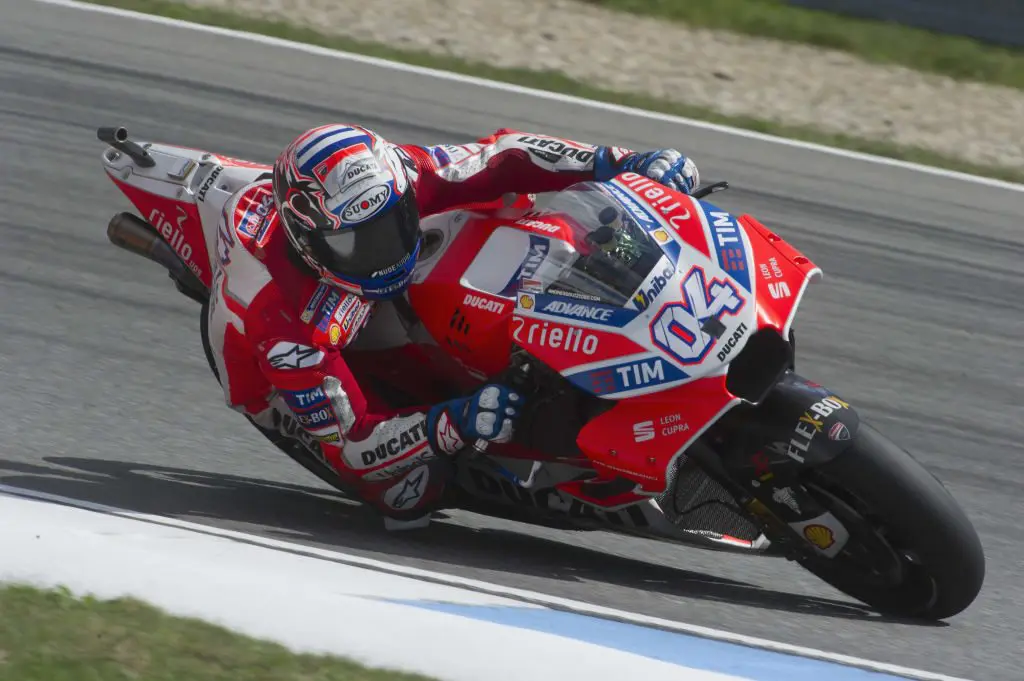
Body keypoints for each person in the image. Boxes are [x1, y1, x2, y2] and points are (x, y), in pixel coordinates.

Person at [204, 124, 700, 530]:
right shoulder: (284, 325)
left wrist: (620, 162)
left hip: (355, 292)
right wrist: (455, 422)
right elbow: (355, 444)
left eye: (393, 223)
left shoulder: (399, 174)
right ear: (309, 244)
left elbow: (503, 157)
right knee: (406, 493)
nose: (385, 252)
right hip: (279, 378)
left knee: (512, 210)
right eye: (360, 243)